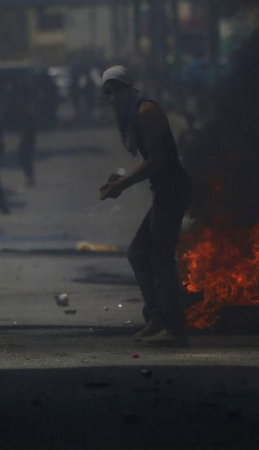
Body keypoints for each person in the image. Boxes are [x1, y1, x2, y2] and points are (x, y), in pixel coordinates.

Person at [98, 65, 191, 347]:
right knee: (138, 253)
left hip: (173, 190)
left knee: (160, 257)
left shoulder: (145, 113)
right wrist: (121, 180)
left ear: (129, 89)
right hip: (163, 191)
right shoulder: (130, 116)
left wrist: (122, 186)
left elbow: (157, 162)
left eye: (116, 90)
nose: (112, 98)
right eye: (108, 92)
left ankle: (174, 327)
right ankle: (157, 317)